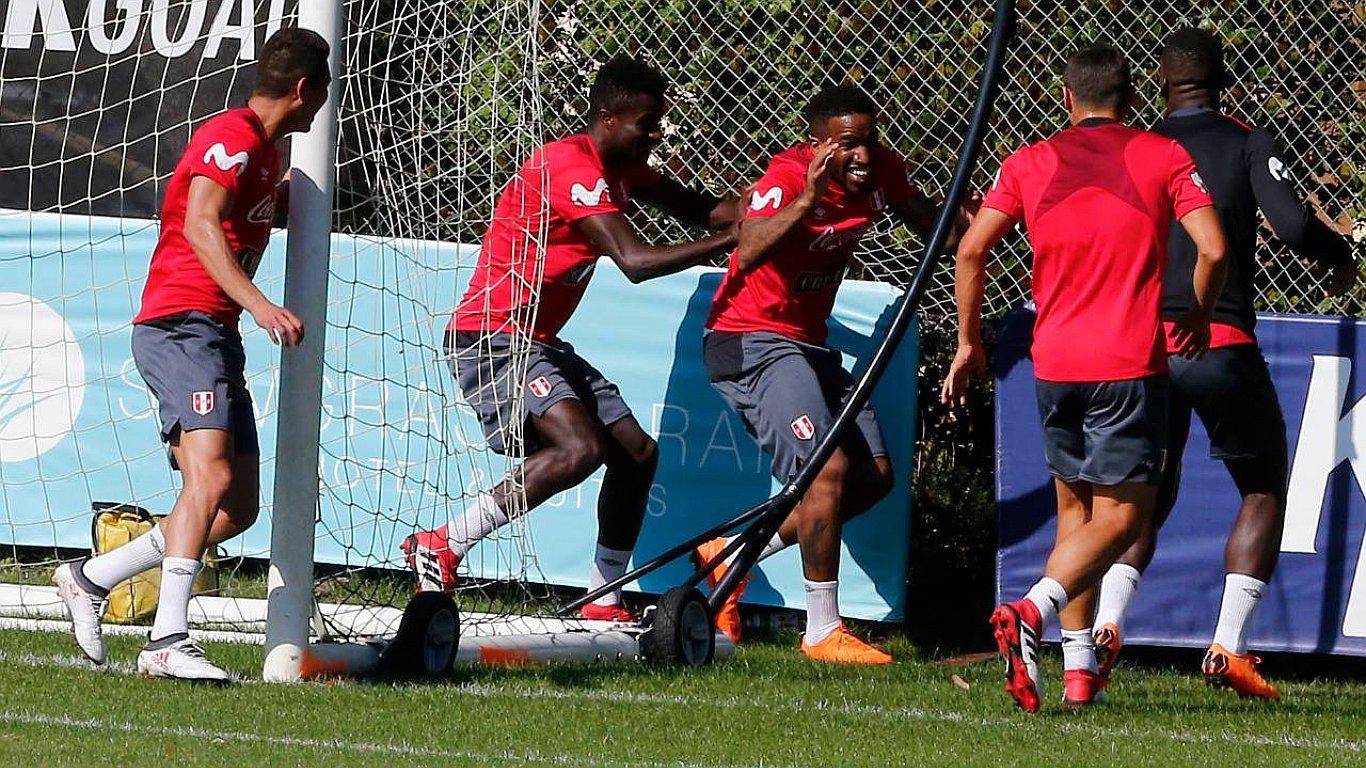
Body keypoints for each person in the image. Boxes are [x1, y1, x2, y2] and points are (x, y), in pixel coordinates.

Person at [402, 55, 743, 623]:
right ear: (608, 119)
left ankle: (602, 597)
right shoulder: (570, 166)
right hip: (492, 335)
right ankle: (444, 543)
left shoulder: (624, 170)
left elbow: (703, 209)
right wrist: (734, 242)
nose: (655, 136)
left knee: (637, 453)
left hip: (538, 340)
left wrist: (781, 203)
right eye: (646, 124)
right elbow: (634, 261)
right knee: (579, 449)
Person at [942, 46, 1227, 711]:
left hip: (1054, 363)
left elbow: (972, 249)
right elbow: (1213, 248)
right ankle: (1032, 611)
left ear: (1065, 98)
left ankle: (1077, 675)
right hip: (1126, 363)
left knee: (1076, 517)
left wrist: (967, 342)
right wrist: (1200, 313)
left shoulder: (1027, 162)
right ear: (1134, 101)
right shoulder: (1161, 154)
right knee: (1122, 518)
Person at [53, 28, 332, 681]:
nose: (325, 104)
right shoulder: (232, 135)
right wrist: (260, 304)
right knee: (207, 480)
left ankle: (92, 578)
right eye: (324, 91)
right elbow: (200, 222)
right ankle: (167, 641)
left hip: (213, 333)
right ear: (304, 89)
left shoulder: (263, 154)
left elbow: (236, 217)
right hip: (181, 324)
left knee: (236, 507)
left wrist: (291, 200)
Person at [1090, 27, 1357, 700]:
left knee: (1143, 496)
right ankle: (1228, 645)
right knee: (1262, 489)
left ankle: (1107, 624)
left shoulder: (1137, 146)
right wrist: (1341, 254)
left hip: (1142, 345)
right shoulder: (1246, 141)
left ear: (1159, 84)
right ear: (1223, 81)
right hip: (1219, 339)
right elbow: (1292, 226)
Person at [697, 83, 968, 663]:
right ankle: (822, 630)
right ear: (817, 144)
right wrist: (806, 200)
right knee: (825, 471)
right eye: (848, 145)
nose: (863, 156)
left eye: (869, 141)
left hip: (806, 345)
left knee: (872, 477)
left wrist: (979, 218)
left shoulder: (883, 171)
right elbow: (746, 250)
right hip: (750, 340)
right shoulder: (786, 178)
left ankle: (732, 555)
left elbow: (940, 232)